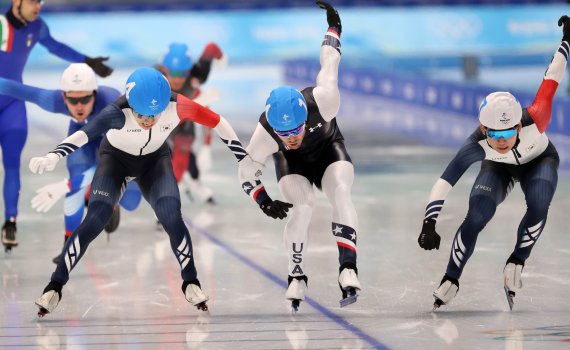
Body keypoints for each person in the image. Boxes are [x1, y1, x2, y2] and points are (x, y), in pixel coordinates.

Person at [30, 67, 246, 317]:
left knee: (171, 217)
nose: (148, 121)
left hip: (155, 163)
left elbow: (218, 121)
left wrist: (243, 157)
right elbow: (84, 135)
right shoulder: (116, 112)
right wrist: (54, 154)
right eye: (142, 114)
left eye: (155, 114)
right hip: (116, 163)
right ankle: (55, 285)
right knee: (95, 218)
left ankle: (191, 282)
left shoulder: (179, 105)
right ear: (131, 104)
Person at [417, 16, 570, 311]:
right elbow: (445, 181)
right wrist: (429, 222)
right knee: (477, 213)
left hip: (540, 160)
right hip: (498, 169)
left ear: (518, 125)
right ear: (483, 129)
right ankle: (451, 278)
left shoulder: (537, 116)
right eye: (494, 134)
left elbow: (552, 77)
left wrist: (567, 41)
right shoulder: (476, 144)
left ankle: (516, 262)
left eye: (508, 132)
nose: (501, 140)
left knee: (539, 201)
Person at [237, 1, 361, 312]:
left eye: (295, 131)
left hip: (329, 148)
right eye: (284, 134)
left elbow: (329, 62)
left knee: (341, 193)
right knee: (302, 207)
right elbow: (246, 173)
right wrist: (263, 200)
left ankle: (348, 267)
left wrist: (333, 28)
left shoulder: (325, 101)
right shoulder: (264, 134)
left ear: (305, 118)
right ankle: (296, 275)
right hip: (292, 166)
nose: (290, 138)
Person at [0, 0, 113, 252]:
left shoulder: (37, 26)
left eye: (40, 1)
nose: (38, 5)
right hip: (10, 95)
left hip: (12, 106)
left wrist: (88, 61)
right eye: (32, 1)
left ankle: (10, 222)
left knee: (11, 164)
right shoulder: (0, 25)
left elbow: (56, 47)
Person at [0, 63, 141, 263]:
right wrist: (71, 185)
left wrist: (63, 185)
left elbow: (107, 167)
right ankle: (69, 246)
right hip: (82, 135)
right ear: (63, 97)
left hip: (118, 146)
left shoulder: (114, 108)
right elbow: (17, 89)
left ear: (95, 94)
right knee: (76, 182)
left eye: (85, 99)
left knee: (131, 201)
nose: (79, 106)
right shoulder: (56, 101)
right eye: (73, 100)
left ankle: (112, 202)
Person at [156, 42, 225, 205]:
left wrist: (207, 146)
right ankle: (190, 181)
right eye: (172, 72)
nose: (177, 78)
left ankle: (189, 182)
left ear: (190, 71)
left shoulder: (197, 75)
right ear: (164, 69)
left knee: (182, 152)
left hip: (183, 121)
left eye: (182, 73)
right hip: (159, 118)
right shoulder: (155, 77)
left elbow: (211, 48)